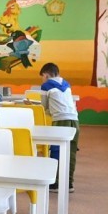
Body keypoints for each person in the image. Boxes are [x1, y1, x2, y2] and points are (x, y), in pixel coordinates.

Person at [40, 63, 79, 192]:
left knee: (56, 150)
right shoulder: (67, 84)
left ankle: (55, 183)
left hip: (60, 120)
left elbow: (43, 107)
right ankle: (69, 183)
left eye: (42, 77)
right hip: (74, 120)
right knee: (70, 151)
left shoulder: (46, 85)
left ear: (46, 75)